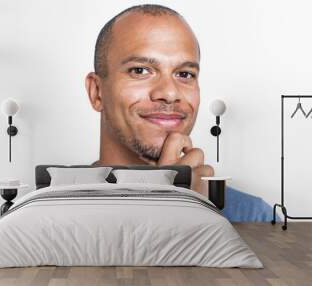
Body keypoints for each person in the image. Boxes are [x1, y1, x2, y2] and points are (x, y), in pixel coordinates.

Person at [85, 4, 279, 222]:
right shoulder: (51, 217)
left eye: (185, 74)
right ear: (97, 92)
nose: (169, 93)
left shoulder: (255, 216)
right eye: (140, 70)